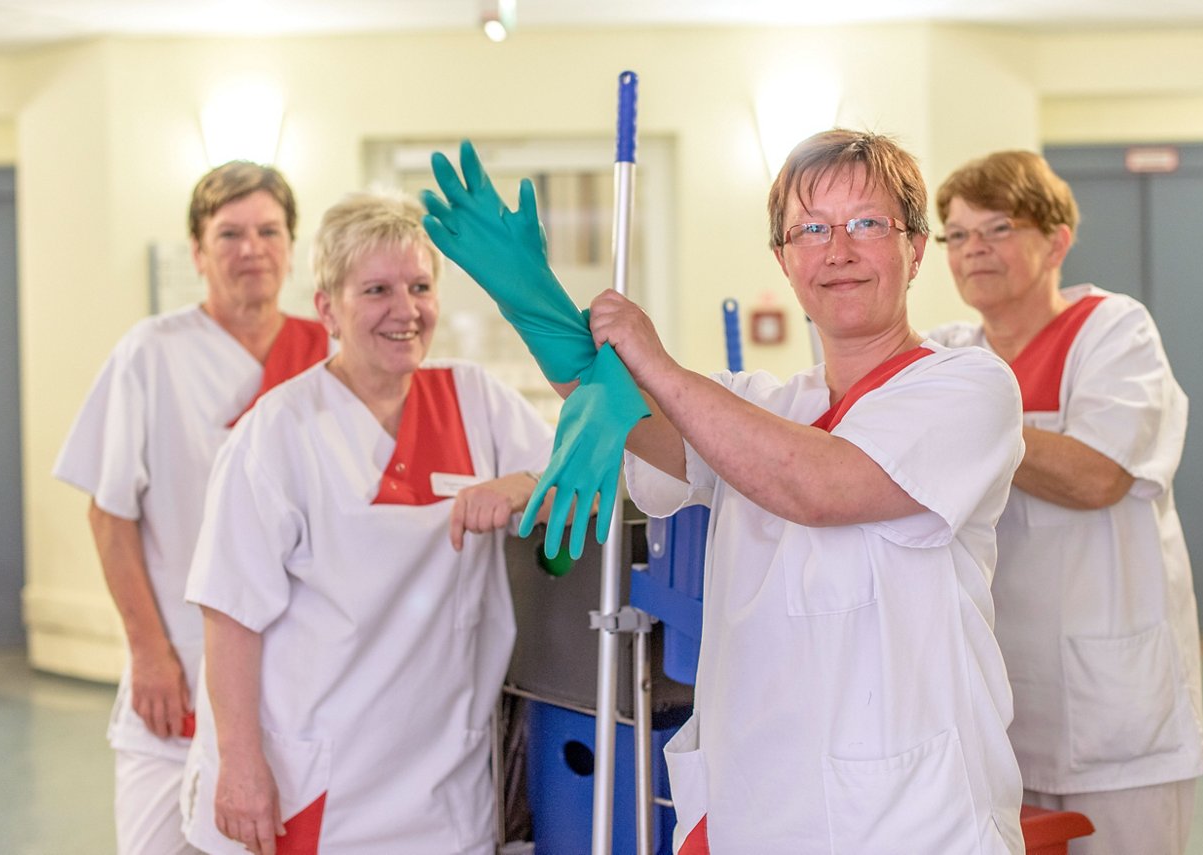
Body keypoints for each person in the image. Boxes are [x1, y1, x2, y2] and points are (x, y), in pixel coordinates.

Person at [425, 130, 1026, 854]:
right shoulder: (766, 402)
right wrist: (532, 301)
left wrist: (658, 362)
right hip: (760, 806)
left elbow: (817, 483)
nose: (837, 250)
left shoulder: (967, 386)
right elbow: (630, 410)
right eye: (811, 230)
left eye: (867, 223)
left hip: (910, 816)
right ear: (783, 258)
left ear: (915, 248)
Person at [179, 190, 554, 855]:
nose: (405, 310)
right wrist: (240, 764)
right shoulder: (279, 432)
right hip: (319, 783)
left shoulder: (477, 402)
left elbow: (586, 488)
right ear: (327, 307)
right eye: (376, 289)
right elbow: (230, 614)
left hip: (445, 784)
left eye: (419, 286)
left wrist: (525, 486)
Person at [930, 150, 1203, 855]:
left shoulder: (1113, 332)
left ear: (1055, 240)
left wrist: (970, 425)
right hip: (1001, 709)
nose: (974, 250)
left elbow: (1097, 477)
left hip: (1115, 713)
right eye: (956, 235)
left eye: (995, 228)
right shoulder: (952, 355)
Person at [53, 161, 329, 855]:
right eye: (229, 233)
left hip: (300, 674)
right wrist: (147, 651)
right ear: (199, 251)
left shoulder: (329, 355)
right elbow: (109, 514)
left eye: (268, 230)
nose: (251, 248)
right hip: (177, 667)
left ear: (291, 247)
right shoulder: (151, 353)